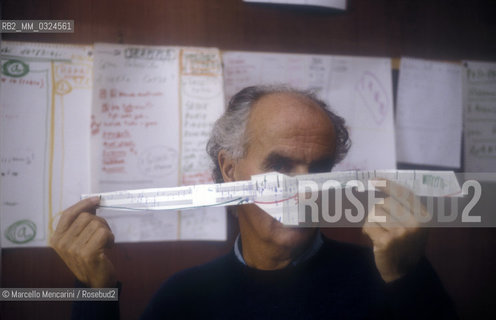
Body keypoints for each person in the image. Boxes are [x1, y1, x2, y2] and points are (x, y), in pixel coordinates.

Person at [51, 85, 457, 319]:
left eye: (319, 169)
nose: (304, 188)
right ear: (229, 170)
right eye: (279, 165)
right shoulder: (183, 298)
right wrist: (95, 293)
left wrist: (409, 281)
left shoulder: (389, 275)